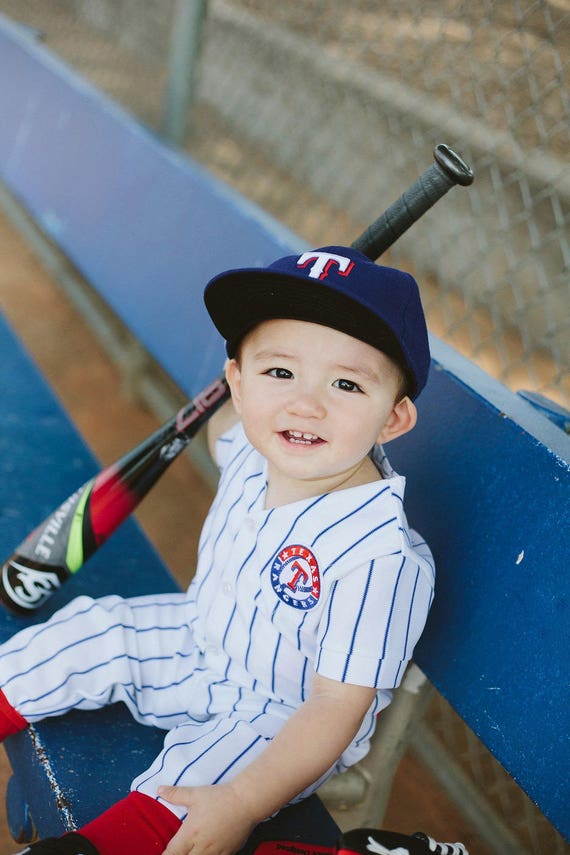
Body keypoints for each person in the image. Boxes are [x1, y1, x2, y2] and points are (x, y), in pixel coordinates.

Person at [1, 246, 436, 855]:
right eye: (279, 372)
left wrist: (244, 801)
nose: (305, 403)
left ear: (394, 418)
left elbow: (336, 706)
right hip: (199, 633)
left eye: (345, 383)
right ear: (234, 380)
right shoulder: (258, 448)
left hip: (282, 717)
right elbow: (221, 429)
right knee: (88, 633)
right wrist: (245, 396)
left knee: (188, 800)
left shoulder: (381, 557)